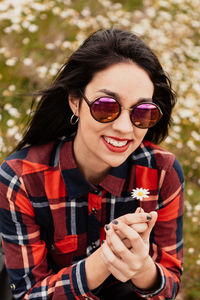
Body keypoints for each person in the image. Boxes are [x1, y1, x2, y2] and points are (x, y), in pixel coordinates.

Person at [0, 28, 184, 300]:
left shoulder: (162, 172)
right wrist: (105, 260)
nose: (123, 128)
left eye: (142, 112)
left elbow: (169, 284)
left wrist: (142, 267)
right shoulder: (21, 178)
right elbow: (28, 294)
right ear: (75, 101)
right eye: (106, 106)